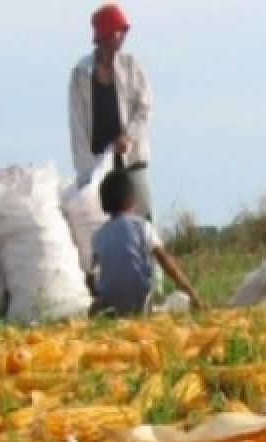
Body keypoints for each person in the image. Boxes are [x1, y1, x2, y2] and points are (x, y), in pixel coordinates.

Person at [68, 3, 155, 219]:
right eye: (118, 32)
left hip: (131, 159)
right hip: (98, 164)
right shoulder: (81, 75)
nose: (122, 37)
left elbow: (144, 107)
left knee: (141, 219)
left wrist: (128, 136)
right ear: (104, 35)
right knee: (102, 223)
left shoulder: (131, 67)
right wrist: (86, 171)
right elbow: (77, 124)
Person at [89, 169, 206, 316]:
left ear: (103, 204)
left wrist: (96, 291)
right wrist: (195, 297)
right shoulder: (142, 227)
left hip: (111, 304)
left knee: (95, 308)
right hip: (141, 301)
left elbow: (91, 274)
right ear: (131, 199)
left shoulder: (99, 235)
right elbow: (167, 263)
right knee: (180, 300)